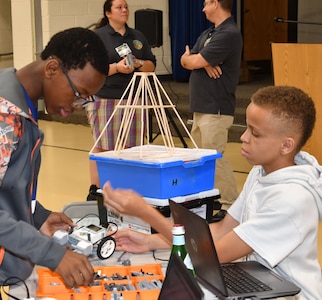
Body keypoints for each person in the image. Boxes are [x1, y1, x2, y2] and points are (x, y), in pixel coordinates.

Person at [103, 86, 322, 299]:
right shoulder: (261, 172)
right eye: (246, 128)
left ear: (286, 145)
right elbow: (222, 230)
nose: (244, 137)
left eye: (255, 133)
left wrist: (146, 213)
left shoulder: (291, 200)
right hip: (258, 279)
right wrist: (151, 241)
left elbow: (211, 256)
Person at [0, 27, 109, 289]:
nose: (76, 106)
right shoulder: (5, 117)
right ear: (51, 68)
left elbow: (9, 185)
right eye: (78, 94)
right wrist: (53, 254)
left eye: (85, 100)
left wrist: (37, 215)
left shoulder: (23, 105)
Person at [86, 0, 156, 196]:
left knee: (132, 147)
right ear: (108, 13)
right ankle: (97, 190)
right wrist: (117, 67)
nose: (124, 10)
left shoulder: (137, 36)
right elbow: (92, 70)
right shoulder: (98, 37)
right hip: (106, 97)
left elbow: (152, 65)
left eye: (126, 6)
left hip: (135, 97)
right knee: (103, 146)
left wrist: (139, 63)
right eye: (119, 7)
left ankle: (128, 189)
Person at [180, 0, 243, 215]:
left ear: (216, 3)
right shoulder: (209, 32)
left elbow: (194, 61)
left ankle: (231, 205)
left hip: (215, 106)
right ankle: (212, 197)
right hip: (201, 105)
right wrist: (201, 61)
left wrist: (199, 61)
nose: (202, 8)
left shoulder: (229, 33)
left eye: (206, 3)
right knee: (201, 159)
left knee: (214, 157)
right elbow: (186, 60)